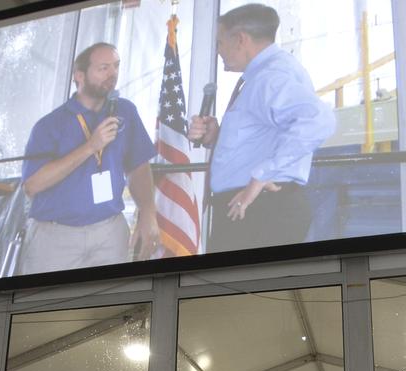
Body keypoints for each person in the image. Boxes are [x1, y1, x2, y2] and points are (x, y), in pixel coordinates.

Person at [187, 4, 335, 253]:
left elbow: (319, 119)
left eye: (220, 42)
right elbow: (263, 133)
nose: (217, 51)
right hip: (254, 208)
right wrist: (217, 136)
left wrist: (262, 175)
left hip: (258, 210)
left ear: (240, 39)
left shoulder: (270, 77)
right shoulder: (264, 74)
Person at [18, 42, 160, 275]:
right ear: (79, 75)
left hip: (109, 231)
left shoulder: (125, 111)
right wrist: (90, 146)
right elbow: (32, 185)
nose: (112, 74)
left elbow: (139, 167)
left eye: (116, 66)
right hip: (56, 236)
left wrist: (148, 211)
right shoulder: (50, 125)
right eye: (103, 68)